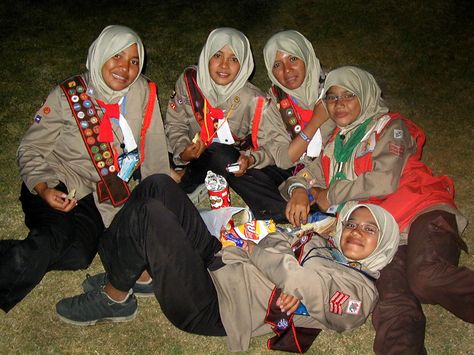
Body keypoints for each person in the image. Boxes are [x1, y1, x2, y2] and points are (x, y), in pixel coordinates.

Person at [55, 174, 400, 353]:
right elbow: (280, 240)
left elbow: (304, 283)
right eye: (353, 223)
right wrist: (286, 271)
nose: (356, 232)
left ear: (382, 243)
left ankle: (115, 297)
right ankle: (135, 269)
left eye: (370, 230)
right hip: (221, 261)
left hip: (216, 305)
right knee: (157, 187)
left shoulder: (359, 292)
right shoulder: (324, 241)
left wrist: (276, 265)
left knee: (151, 217)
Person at [280, 66, 473, 354]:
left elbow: (384, 180)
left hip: (422, 212)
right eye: (331, 97)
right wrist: (298, 190)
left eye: (349, 95)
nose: (339, 103)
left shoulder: (390, 128)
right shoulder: (336, 144)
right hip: (383, 237)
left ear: (366, 96)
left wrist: (329, 193)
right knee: (393, 302)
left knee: (425, 277)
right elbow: (305, 174)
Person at [0, 25, 170, 313]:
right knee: (54, 239)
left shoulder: (142, 91)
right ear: (100, 54)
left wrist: (163, 183)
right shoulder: (68, 96)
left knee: (79, 255)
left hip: (96, 193)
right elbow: (30, 149)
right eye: (116, 56)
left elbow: (153, 143)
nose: (125, 68)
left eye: (133, 61)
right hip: (57, 180)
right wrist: (43, 188)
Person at [226, 30, 333, 222]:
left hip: (327, 169)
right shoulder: (276, 100)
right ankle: (286, 214)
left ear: (306, 57)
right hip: (294, 165)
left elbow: (342, 152)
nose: (287, 70)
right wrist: (316, 121)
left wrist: (302, 185)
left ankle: (291, 210)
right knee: (245, 174)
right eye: (277, 65)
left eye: (293, 58)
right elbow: (283, 158)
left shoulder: (336, 93)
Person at [165, 27, 266, 195]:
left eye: (234, 59)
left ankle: (186, 179)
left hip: (222, 157)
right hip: (185, 152)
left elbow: (264, 144)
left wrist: (249, 158)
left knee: (223, 156)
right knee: (151, 148)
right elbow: (175, 122)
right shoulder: (189, 82)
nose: (224, 65)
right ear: (206, 57)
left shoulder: (254, 100)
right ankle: (180, 173)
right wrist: (183, 150)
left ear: (244, 63)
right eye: (217, 55)